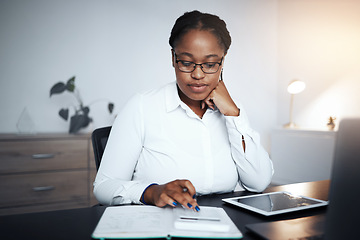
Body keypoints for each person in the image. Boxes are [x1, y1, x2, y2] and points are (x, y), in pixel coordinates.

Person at [93, 10, 273, 212]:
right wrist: (153, 192)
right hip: (158, 221)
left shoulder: (231, 110)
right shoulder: (142, 106)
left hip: (222, 220)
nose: (197, 74)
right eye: (186, 63)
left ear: (223, 61)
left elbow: (258, 182)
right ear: (173, 57)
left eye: (210, 64)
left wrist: (233, 114)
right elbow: (104, 187)